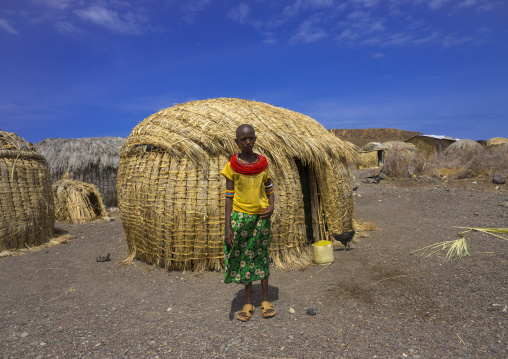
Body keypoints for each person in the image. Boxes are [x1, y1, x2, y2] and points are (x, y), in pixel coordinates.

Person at [221, 124, 276, 322]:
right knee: (244, 256)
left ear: (255, 139)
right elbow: (228, 197)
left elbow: (269, 187)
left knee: (261, 255)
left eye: (251, 138)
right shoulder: (232, 166)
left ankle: (266, 300)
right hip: (241, 218)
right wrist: (227, 226)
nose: (247, 142)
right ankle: (248, 302)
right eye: (243, 139)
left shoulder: (263, 164)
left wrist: (272, 206)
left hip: (261, 218)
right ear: (237, 142)